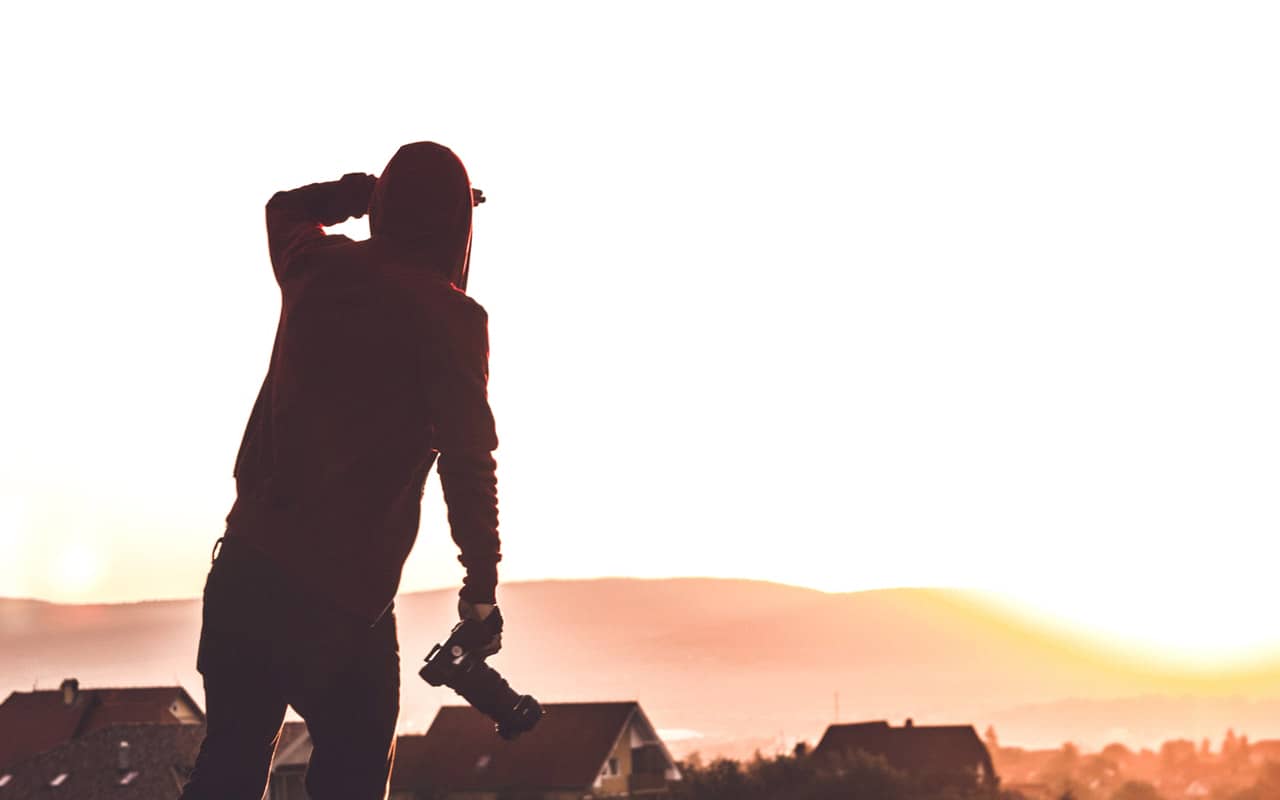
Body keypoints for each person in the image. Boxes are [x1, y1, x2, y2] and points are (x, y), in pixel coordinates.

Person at [180, 142, 502, 800]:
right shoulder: (452, 318)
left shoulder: (314, 267)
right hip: (341, 606)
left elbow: (286, 209)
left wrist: (364, 193)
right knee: (353, 777)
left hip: (245, 576)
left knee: (229, 767)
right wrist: (481, 589)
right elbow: (469, 462)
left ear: (382, 207)